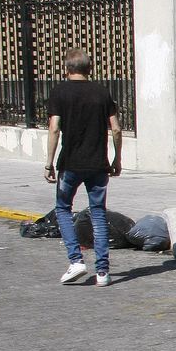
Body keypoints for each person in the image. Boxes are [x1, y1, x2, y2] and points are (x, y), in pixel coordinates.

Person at [44, 48, 123, 286]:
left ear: (67, 69)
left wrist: (49, 162)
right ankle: (102, 272)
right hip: (98, 163)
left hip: (70, 163)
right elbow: (116, 129)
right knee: (98, 213)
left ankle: (76, 260)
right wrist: (116, 159)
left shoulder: (60, 92)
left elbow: (54, 128)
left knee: (63, 209)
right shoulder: (102, 93)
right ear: (90, 68)